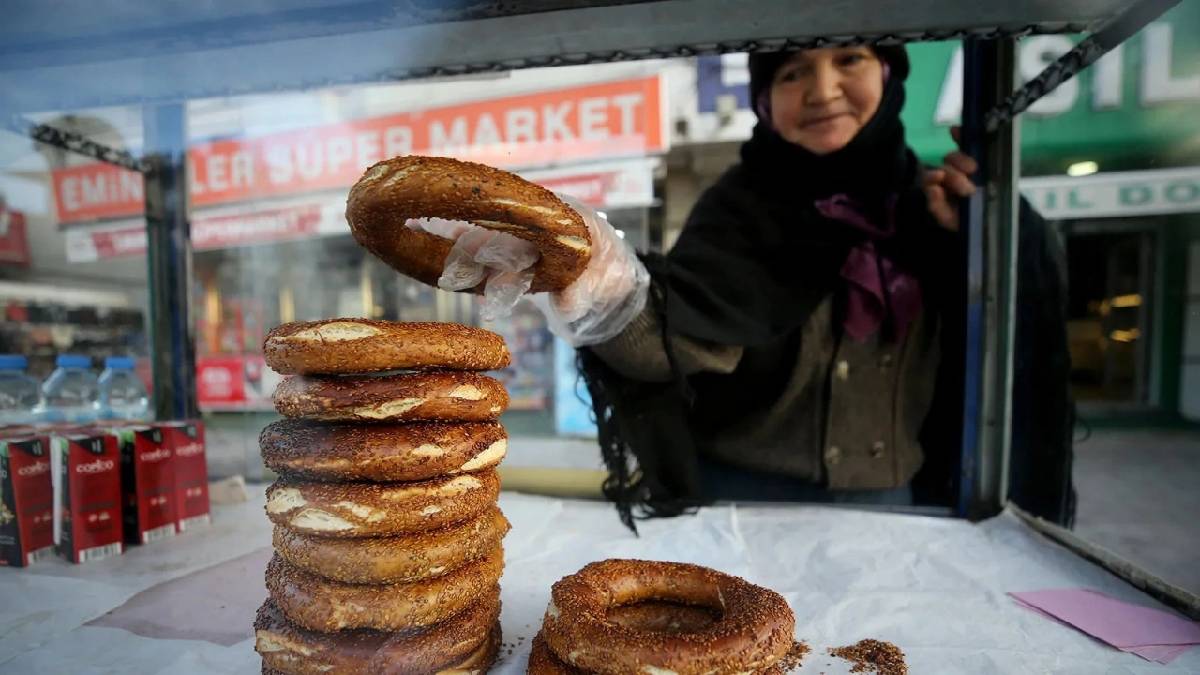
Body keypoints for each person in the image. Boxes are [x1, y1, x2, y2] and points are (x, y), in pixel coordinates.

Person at [440, 45, 1074, 530]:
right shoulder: (739, 214)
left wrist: (986, 236)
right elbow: (672, 343)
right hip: (742, 497)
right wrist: (600, 285)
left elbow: (1010, 349)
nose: (823, 89)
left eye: (849, 58)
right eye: (792, 72)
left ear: (890, 71)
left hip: (895, 500)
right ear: (766, 99)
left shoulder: (939, 210)